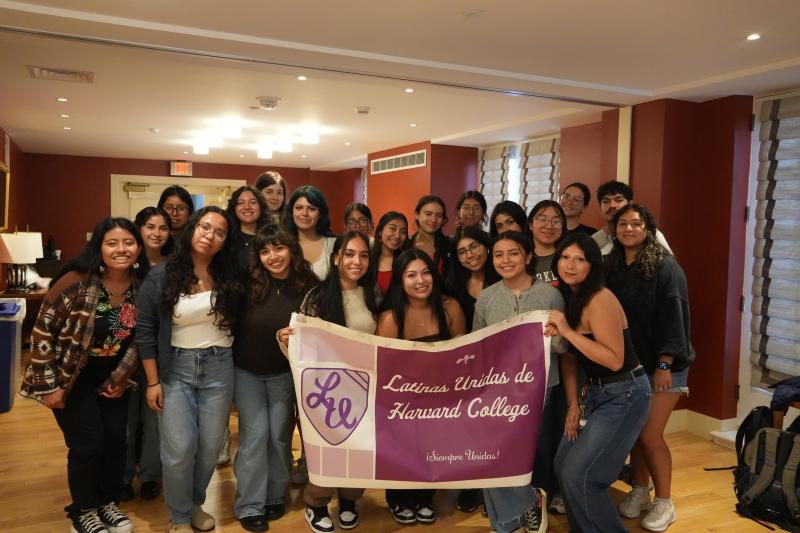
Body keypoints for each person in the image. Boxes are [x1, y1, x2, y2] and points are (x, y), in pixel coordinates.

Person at [20, 217, 148, 533]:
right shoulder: (76, 281)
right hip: (71, 376)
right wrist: (48, 387)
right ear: (99, 248)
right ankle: (83, 510)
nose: (121, 249)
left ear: (138, 248)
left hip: (114, 378)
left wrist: (122, 377)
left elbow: (137, 338)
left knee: (116, 442)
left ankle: (107, 503)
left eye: (128, 242)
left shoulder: (140, 286)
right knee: (88, 443)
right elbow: (42, 333)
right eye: (112, 243)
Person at [136, 206, 244, 533]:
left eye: (220, 232)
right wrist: (152, 382)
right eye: (205, 227)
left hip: (219, 367)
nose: (210, 236)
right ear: (193, 228)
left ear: (225, 241)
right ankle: (179, 516)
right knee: (179, 448)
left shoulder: (230, 275)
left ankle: (195, 503)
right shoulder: (162, 274)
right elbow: (145, 331)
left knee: (210, 447)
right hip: (176, 369)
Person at [548, 232, 651, 533]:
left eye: (580, 259)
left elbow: (614, 359)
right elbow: (569, 358)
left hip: (625, 392)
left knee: (582, 474)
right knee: (562, 465)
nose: (570, 265)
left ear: (592, 265)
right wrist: (573, 406)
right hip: (593, 393)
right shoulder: (570, 297)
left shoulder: (599, 298)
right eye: (565, 257)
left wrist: (567, 331)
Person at [279, 231, 380, 533]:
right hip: (326, 390)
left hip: (364, 388)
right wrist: (286, 338)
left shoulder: (374, 294)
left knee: (360, 449)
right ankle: (317, 502)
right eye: (349, 254)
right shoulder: (317, 296)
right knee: (326, 449)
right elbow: (302, 344)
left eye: (363, 255)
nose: (356, 261)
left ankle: (350, 500)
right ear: (336, 258)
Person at [606, 204, 694, 532]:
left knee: (649, 434)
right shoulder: (612, 265)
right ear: (614, 230)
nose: (629, 229)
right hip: (631, 365)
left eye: (636, 224)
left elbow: (675, 319)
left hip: (664, 366)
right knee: (634, 433)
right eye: (623, 224)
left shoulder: (665, 267)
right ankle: (640, 491)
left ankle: (665, 502)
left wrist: (664, 365)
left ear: (648, 229)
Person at [473, 231, 568, 533]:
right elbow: (478, 347)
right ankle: (517, 512)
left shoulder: (550, 296)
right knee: (493, 452)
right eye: (498, 254)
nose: (505, 260)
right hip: (497, 390)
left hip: (539, 387)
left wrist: (550, 337)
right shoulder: (486, 298)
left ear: (528, 257)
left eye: (513, 253)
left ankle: (520, 511)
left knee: (526, 451)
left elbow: (564, 346)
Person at [233, 225, 318, 532]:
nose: (273, 257)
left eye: (278, 248)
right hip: (247, 371)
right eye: (265, 251)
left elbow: (318, 329)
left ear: (291, 250)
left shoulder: (309, 285)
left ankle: (274, 495)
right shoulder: (248, 282)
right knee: (255, 435)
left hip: (285, 373)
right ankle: (250, 504)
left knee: (279, 435)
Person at [376, 249, 467, 525]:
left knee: (432, 449)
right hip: (402, 401)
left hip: (441, 398)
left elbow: (463, 354)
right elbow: (385, 369)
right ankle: (399, 499)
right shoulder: (391, 318)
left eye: (426, 273)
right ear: (400, 280)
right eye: (411, 275)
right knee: (402, 449)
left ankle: (425, 497)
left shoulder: (450, 307)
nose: (420, 281)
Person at [122, 208, 171, 502]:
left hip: (159, 356)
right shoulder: (126, 263)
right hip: (124, 359)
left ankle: (151, 475)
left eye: (163, 227)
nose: (157, 233)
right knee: (126, 425)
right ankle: (124, 477)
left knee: (155, 424)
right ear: (138, 229)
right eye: (150, 226)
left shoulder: (173, 266)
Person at [591, 181, 670, 255]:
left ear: (630, 204)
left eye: (619, 200)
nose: (612, 205)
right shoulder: (593, 241)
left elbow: (668, 263)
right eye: (606, 201)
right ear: (600, 208)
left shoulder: (651, 234)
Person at [449, 226, 499, 329]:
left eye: (474, 246)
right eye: (462, 252)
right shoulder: (454, 287)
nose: (470, 255)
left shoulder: (503, 276)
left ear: (486, 246)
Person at [285, 185, 337, 281]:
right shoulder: (282, 244)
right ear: (291, 211)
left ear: (320, 213)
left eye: (312, 209)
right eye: (299, 208)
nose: (304, 214)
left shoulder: (334, 244)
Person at [409, 195, 452, 280]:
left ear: (443, 220)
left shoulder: (450, 245)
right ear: (417, 215)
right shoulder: (405, 244)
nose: (433, 220)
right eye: (428, 214)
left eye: (439, 216)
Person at [227, 184, 270, 269]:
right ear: (234, 208)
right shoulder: (227, 238)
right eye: (241, 203)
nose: (247, 207)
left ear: (261, 207)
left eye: (253, 202)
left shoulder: (271, 236)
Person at [370, 211, 409, 297]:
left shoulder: (407, 262)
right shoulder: (367, 258)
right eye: (393, 229)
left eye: (403, 232)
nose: (397, 236)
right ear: (380, 231)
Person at [527, 200, 567, 285]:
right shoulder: (520, 258)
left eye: (556, 221)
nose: (549, 226)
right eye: (543, 219)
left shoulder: (569, 258)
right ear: (530, 224)